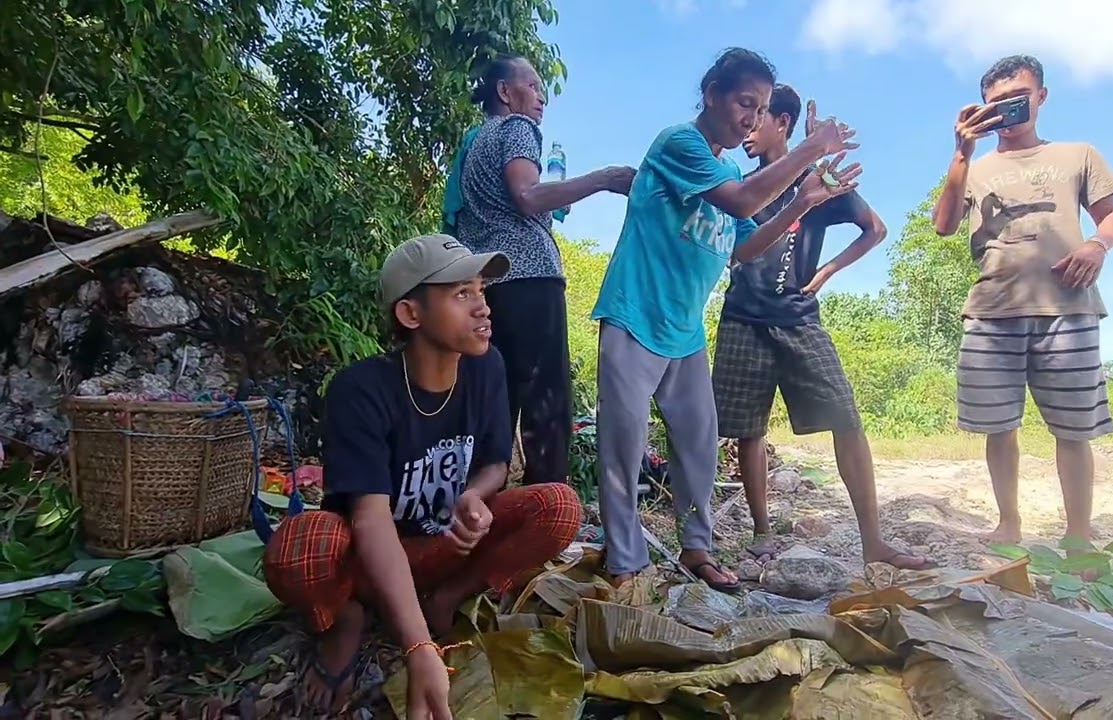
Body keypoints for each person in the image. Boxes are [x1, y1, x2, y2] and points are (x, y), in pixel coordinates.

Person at [262, 235, 583, 719]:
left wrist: (474, 497)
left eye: (481, 291)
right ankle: (344, 619)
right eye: (461, 294)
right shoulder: (361, 390)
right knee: (300, 547)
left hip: (449, 549)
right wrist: (418, 650)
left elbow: (496, 462)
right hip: (371, 560)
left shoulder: (486, 365)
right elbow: (369, 521)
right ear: (411, 314)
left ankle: (448, 598)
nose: (483, 308)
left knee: (559, 506)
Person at [591, 48, 861, 593]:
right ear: (712, 92)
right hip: (634, 316)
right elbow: (739, 203)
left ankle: (697, 550)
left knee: (698, 446)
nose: (752, 118)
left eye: (761, 109)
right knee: (623, 448)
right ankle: (623, 561)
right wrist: (809, 148)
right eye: (745, 102)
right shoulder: (679, 145)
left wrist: (801, 202)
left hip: (684, 331)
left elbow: (743, 246)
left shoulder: (728, 170)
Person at [713, 85, 930, 570]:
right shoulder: (743, 188)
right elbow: (731, 246)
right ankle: (762, 531)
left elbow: (874, 228)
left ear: (784, 123)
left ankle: (874, 541)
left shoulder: (818, 181)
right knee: (748, 430)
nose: (750, 125)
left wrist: (828, 270)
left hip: (798, 317)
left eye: (762, 114)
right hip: (743, 317)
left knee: (846, 418)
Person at [932, 55, 1113, 546]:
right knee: (999, 427)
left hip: (1068, 307)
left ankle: (1078, 535)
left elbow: (1111, 219)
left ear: (1040, 96)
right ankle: (1008, 523)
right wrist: (960, 153)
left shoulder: (1078, 154)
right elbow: (943, 225)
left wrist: (1095, 246)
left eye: (1018, 97)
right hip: (993, 309)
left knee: (1073, 429)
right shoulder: (975, 167)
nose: (1008, 110)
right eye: (996, 102)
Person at [455, 54, 635, 487]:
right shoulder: (518, 129)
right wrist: (604, 179)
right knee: (546, 403)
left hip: (489, 282)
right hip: (530, 278)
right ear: (505, 92)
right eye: (533, 86)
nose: (542, 98)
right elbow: (529, 196)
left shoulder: (477, 142)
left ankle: (483, 503)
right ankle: (546, 510)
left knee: (499, 396)